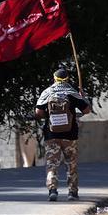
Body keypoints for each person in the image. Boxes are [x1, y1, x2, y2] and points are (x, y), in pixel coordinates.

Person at [35, 66, 90, 201]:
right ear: (67, 79)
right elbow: (87, 110)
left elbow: (38, 113)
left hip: (51, 135)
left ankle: (52, 190)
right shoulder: (72, 92)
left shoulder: (47, 92)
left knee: (51, 163)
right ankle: (72, 192)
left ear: (54, 78)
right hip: (70, 135)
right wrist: (83, 98)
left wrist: (49, 116)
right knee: (71, 163)